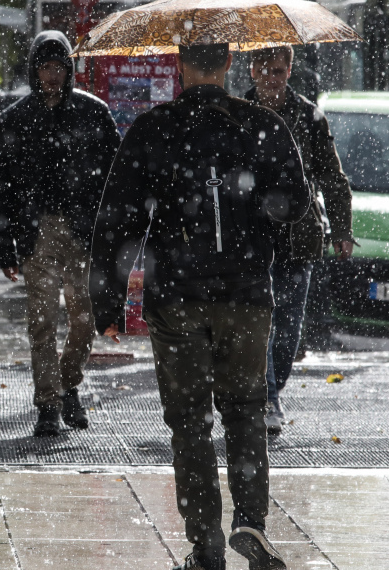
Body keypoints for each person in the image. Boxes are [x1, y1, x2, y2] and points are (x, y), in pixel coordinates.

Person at [91, 43, 311, 570]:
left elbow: (119, 218)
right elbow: (296, 202)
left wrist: (108, 304)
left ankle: (205, 540)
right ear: (231, 63)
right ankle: (250, 522)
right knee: (245, 411)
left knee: (189, 422)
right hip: (246, 293)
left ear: (180, 66)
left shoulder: (153, 129)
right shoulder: (262, 124)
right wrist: (256, 206)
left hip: (179, 297)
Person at [0, 30, 119, 437]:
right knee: (42, 320)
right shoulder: (15, 119)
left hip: (82, 232)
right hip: (36, 231)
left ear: (69, 69)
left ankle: (68, 385)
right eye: (45, 67)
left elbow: (113, 181)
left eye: (58, 67)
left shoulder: (93, 114)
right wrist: (4, 243)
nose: (51, 75)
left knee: (84, 318)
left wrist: (111, 235)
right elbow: (1, 186)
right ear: (34, 69)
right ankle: (48, 401)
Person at [245, 46, 354, 435]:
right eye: (264, 69)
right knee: (263, 322)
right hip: (253, 236)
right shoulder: (239, 112)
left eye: (278, 70)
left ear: (289, 69)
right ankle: (268, 396)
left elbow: (333, 177)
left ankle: (273, 388)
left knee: (288, 328)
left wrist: (342, 230)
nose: (272, 78)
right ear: (252, 69)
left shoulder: (308, 115)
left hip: (299, 236)